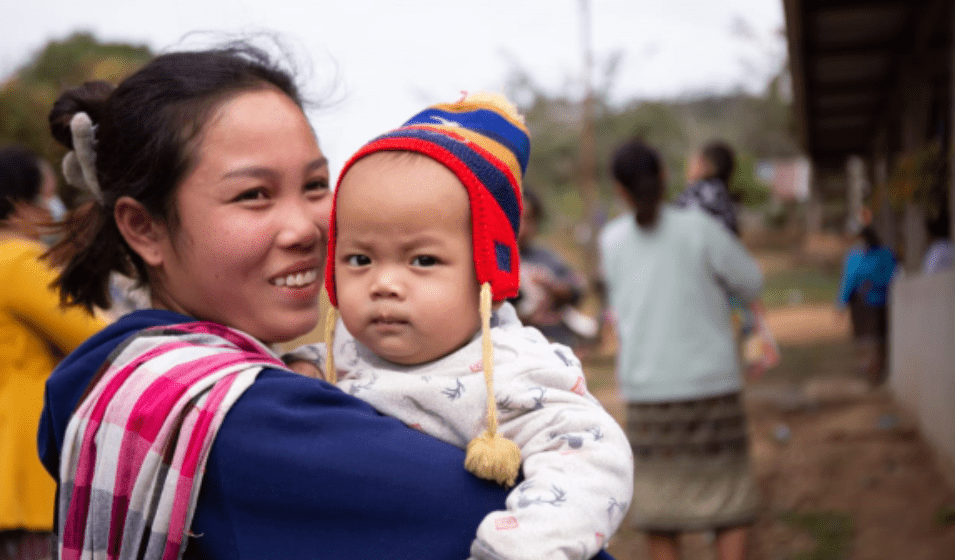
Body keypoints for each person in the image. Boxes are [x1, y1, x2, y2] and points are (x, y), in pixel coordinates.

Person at [35, 46, 620, 560]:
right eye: (254, 195)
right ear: (146, 228)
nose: (307, 229)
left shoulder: (120, 376)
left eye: (316, 186)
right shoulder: (255, 423)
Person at [287, 93, 632, 560]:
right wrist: (300, 371)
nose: (384, 283)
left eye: (423, 260)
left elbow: (595, 463)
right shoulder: (336, 354)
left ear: (486, 273)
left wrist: (514, 548)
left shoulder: (514, 372)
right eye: (360, 259)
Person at [599, 139, 764, 560]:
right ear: (665, 176)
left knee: (662, 513)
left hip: (648, 391)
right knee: (729, 503)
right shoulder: (700, 229)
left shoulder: (611, 241)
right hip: (712, 385)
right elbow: (751, 283)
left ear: (619, 190)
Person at [0, 147, 105, 560]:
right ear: (19, 206)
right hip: (30, 481)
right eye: (47, 196)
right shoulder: (13, 262)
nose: (53, 209)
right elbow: (101, 339)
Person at [511, 187, 596, 348]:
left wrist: (554, 288)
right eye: (517, 218)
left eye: (529, 219)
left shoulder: (546, 259)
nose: (522, 227)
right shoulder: (494, 261)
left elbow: (577, 289)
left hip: (552, 341)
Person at [837, 225, 896, 386]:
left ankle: (877, 371)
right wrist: (841, 303)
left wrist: (873, 284)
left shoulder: (883, 255)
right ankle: (870, 371)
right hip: (861, 305)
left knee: (877, 339)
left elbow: (891, 277)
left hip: (879, 305)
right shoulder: (855, 256)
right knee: (866, 339)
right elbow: (848, 281)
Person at [675, 140, 740, 236]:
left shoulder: (697, 194)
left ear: (706, 165)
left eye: (693, 162)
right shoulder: (724, 197)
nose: (688, 168)